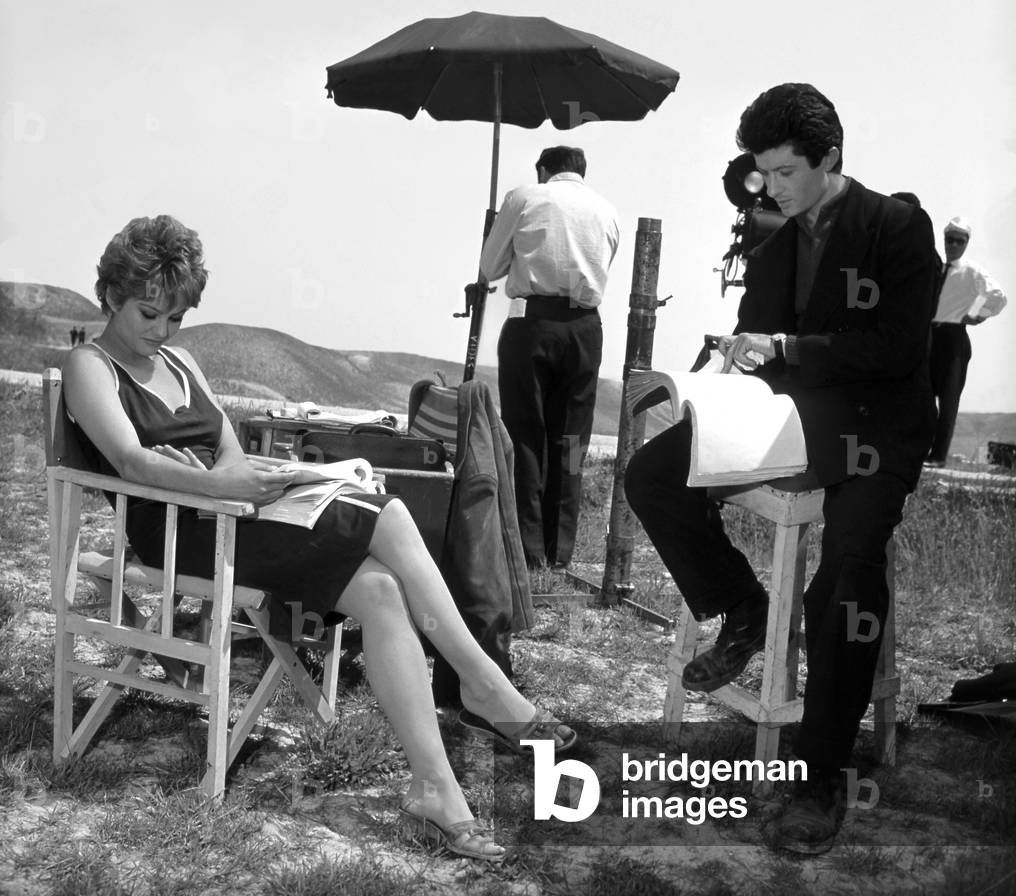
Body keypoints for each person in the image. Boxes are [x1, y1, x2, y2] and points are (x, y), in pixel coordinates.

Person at [64, 215, 577, 862]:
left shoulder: (179, 360)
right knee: (384, 514)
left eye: (175, 318)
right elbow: (134, 464)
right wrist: (220, 489)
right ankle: (482, 683)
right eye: (148, 313)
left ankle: (435, 788)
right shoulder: (92, 365)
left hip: (235, 515)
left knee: (382, 591)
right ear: (111, 294)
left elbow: (226, 444)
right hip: (181, 535)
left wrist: (244, 478)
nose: (162, 330)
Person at [624, 84, 938, 855]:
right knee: (652, 475)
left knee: (846, 570)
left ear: (831, 158)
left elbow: (899, 349)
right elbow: (756, 342)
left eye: (786, 172)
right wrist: (713, 378)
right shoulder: (771, 234)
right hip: (791, 420)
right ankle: (742, 606)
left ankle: (820, 772)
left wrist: (790, 350)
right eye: (762, 172)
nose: (772, 187)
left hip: (877, 428)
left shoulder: (898, 224)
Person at [480, 146, 619, 570]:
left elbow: (490, 267)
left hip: (533, 323)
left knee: (526, 436)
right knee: (573, 439)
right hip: (584, 328)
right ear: (581, 171)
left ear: (544, 170)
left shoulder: (525, 197)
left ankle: (528, 549)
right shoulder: (606, 210)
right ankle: (561, 552)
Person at [923, 216, 1007, 466]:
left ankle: (938, 457)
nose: (954, 245)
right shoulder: (935, 267)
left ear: (966, 243)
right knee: (923, 398)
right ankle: (920, 450)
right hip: (929, 337)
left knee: (948, 401)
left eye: (960, 241)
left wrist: (978, 314)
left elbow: (997, 296)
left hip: (953, 338)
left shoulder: (972, 271)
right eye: (950, 239)